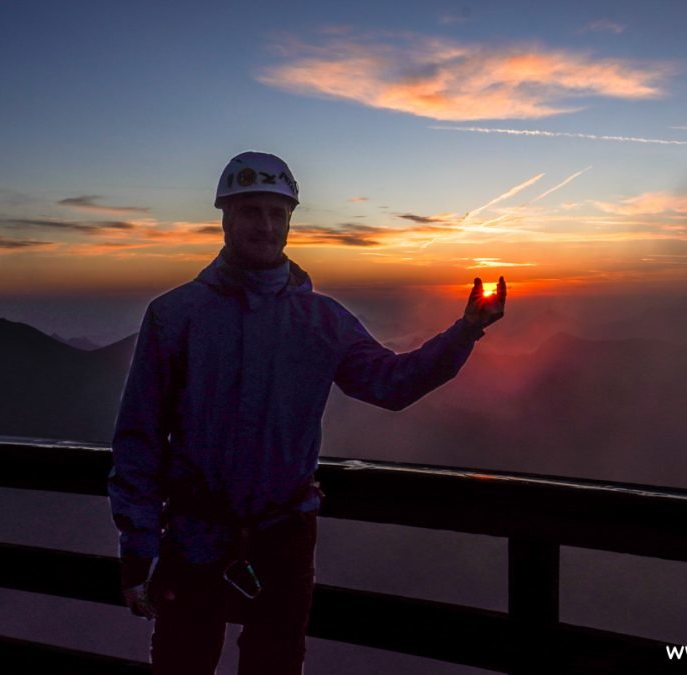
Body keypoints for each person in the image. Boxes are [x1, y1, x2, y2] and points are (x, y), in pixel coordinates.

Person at [108, 151, 506, 675]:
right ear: (225, 218)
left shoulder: (321, 320)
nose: (265, 225)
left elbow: (390, 384)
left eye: (277, 213)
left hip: (281, 541)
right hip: (196, 535)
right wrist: (138, 548)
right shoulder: (174, 317)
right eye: (251, 211)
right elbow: (139, 439)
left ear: (291, 221)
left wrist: (466, 331)